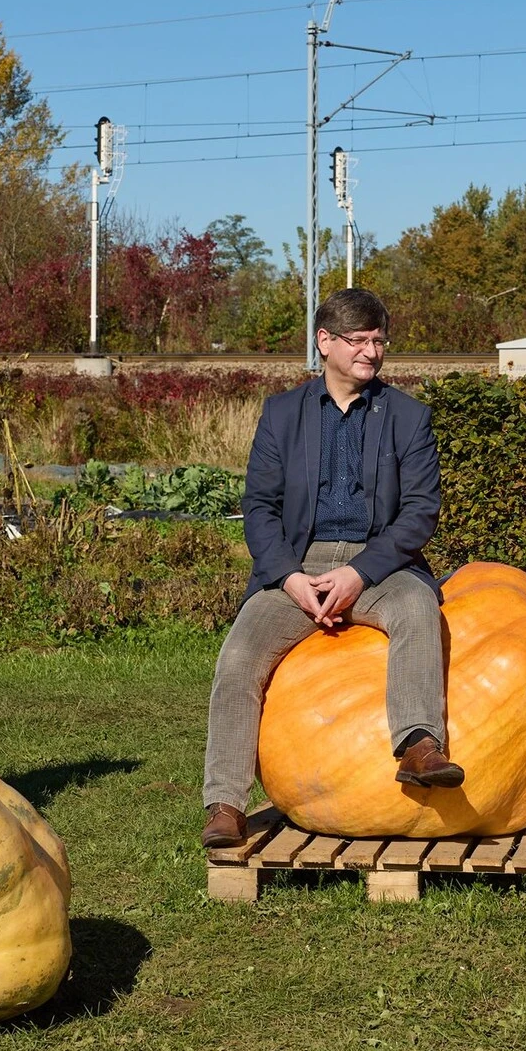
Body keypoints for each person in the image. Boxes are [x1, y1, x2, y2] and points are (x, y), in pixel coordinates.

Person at [201, 288, 457, 848]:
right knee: (241, 653)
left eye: (379, 340)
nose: (373, 352)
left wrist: (359, 573)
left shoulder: (410, 418)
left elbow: (420, 512)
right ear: (326, 342)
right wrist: (290, 579)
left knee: (418, 606)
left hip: (380, 564)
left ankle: (419, 744)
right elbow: (260, 509)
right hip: (297, 563)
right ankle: (225, 803)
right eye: (360, 341)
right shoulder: (281, 414)